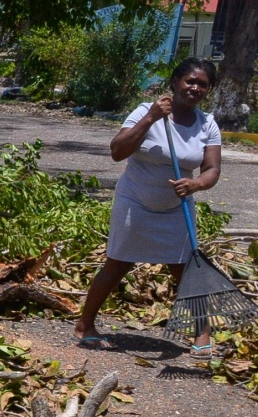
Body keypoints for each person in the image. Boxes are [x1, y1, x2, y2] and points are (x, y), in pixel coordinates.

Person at [74, 57, 222, 357]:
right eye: (189, 81)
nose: (194, 88)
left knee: (185, 268)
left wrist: (196, 185)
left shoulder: (207, 124)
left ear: (208, 90)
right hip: (135, 201)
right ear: (176, 82)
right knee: (118, 263)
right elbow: (117, 152)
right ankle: (85, 325)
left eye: (202, 84)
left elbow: (212, 170)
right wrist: (151, 118)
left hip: (176, 206)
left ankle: (202, 333)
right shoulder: (146, 111)